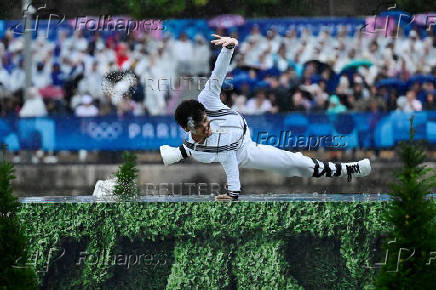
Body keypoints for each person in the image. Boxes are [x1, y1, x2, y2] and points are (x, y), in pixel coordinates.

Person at [160, 34, 371, 201]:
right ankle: (349, 169)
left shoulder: (206, 98)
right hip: (244, 152)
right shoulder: (205, 152)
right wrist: (233, 193)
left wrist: (228, 48)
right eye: (201, 127)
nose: (208, 126)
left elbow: (218, 74)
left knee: (295, 161)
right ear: (189, 129)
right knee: (295, 164)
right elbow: (230, 163)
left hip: (242, 133)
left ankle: (175, 153)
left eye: (207, 120)